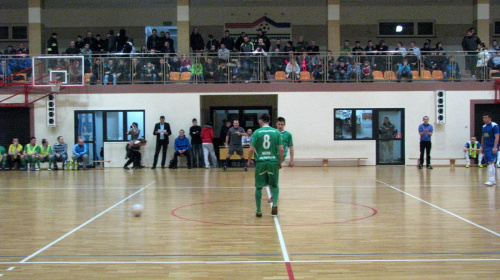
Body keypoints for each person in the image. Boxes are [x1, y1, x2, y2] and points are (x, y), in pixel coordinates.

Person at [247, 114, 283, 217]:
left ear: (260, 120)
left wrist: (249, 160)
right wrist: (280, 162)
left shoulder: (257, 132)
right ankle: (274, 204)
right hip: (273, 162)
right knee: (275, 185)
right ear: (270, 121)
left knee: (259, 187)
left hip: (261, 163)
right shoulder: (276, 132)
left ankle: (259, 210)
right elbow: (281, 149)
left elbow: (251, 149)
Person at [480, 112, 499, 186]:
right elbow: (483, 137)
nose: (484, 119)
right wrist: (482, 146)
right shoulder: (484, 127)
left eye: (486, 117)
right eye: (483, 117)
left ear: (490, 118)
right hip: (486, 147)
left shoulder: (494, 126)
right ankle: (492, 179)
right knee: (488, 163)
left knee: (491, 163)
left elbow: (497, 136)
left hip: (492, 146)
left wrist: (495, 147)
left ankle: (491, 179)